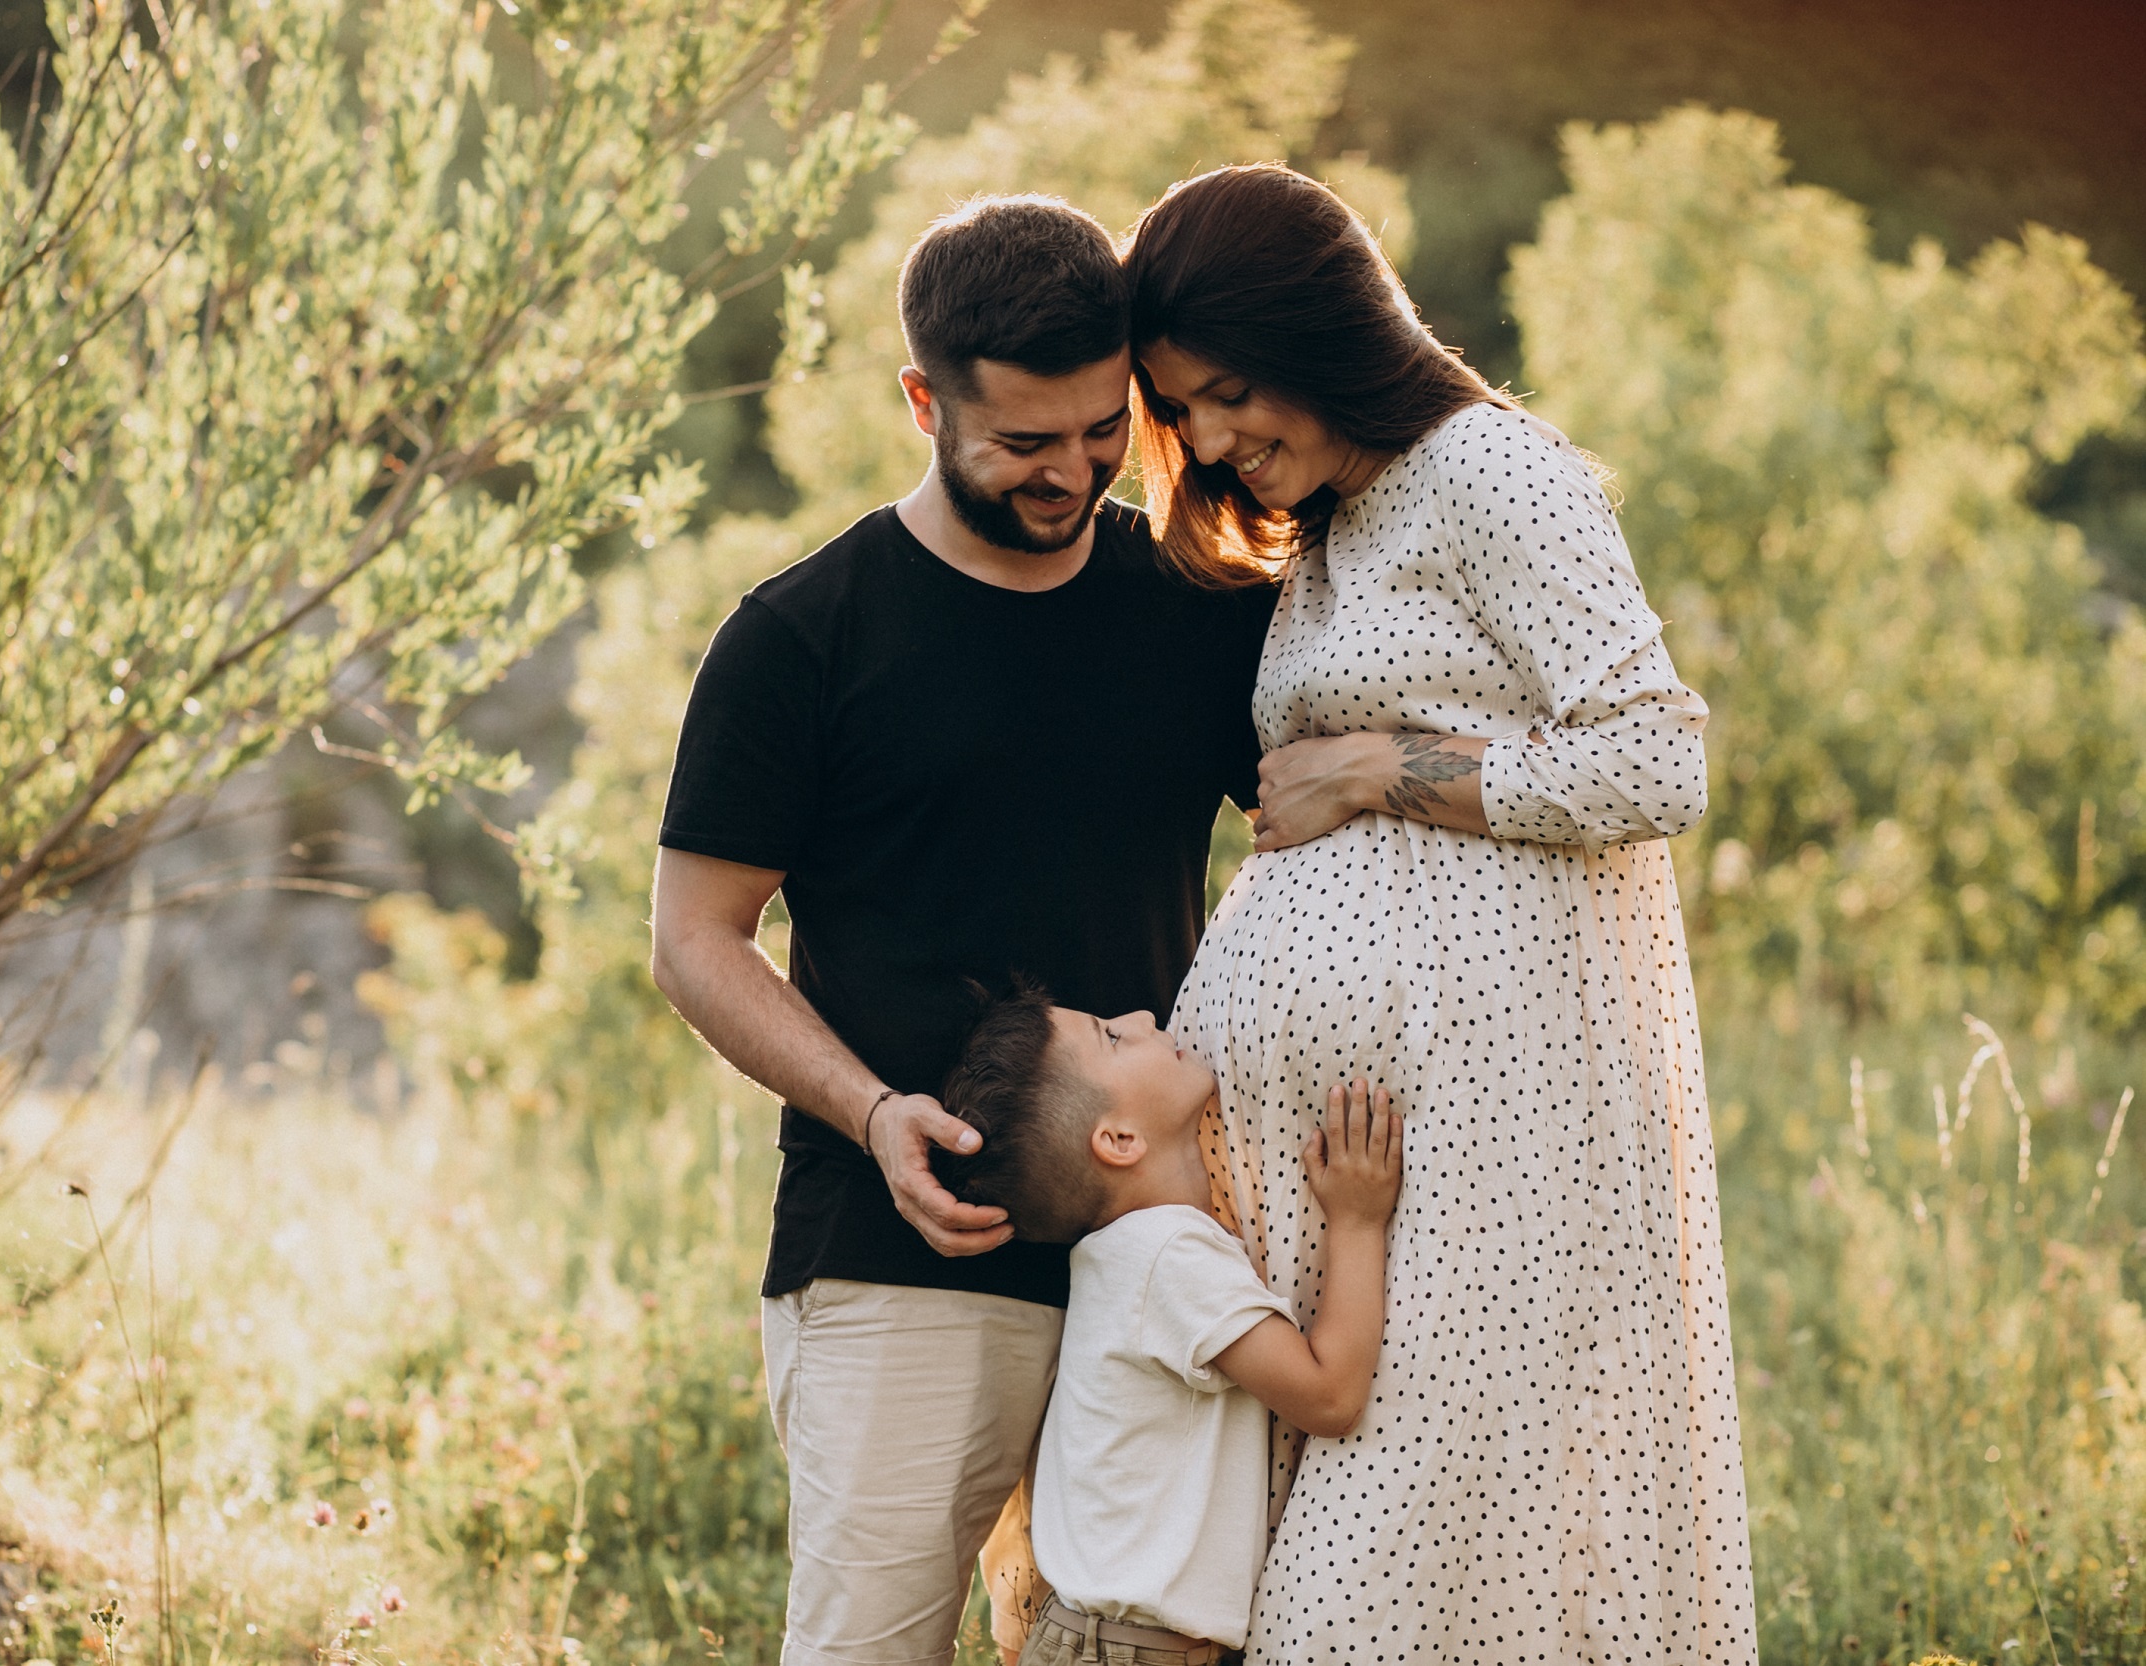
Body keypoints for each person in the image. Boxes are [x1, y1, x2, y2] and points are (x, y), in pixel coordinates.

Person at [1122, 163, 1759, 1663]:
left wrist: (1378, 768)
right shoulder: (1333, 520)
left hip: (1495, 1146)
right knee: (1383, 1534)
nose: (1210, 440)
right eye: (1183, 412)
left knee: (1392, 1554)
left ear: (1314, 329)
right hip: (1363, 1164)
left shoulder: (1493, 473)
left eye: (1225, 393)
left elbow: (1656, 755)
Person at [649, 194, 1274, 1666]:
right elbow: (696, 937)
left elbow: (1308, 842)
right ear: (924, 401)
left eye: (1102, 429)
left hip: (1166, 1243)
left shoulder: (1194, 605)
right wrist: (872, 1115)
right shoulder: (801, 637)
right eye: (1024, 442)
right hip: (900, 1248)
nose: (1073, 471)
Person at [934, 984, 1402, 1666]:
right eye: (1112, 1037)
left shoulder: (1126, 1256)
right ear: (1119, 1140)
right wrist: (1358, 1219)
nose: (1143, 1018)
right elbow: (1330, 1397)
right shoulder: (1168, 1259)